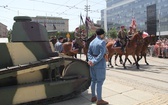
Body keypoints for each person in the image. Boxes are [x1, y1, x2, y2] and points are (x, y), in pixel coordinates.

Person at [87, 28, 109, 105]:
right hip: (99, 64)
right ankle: (99, 100)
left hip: (92, 64)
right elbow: (101, 54)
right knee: (100, 81)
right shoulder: (102, 42)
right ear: (102, 34)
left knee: (93, 80)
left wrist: (91, 61)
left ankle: (93, 96)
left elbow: (88, 53)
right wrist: (95, 61)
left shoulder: (92, 42)